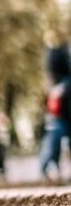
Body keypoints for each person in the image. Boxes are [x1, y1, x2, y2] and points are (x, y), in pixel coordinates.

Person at [40, 44, 71, 181]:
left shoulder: (61, 86)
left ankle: (48, 165)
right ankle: (49, 165)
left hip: (62, 117)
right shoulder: (60, 85)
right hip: (62, 117)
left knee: (55, 134)